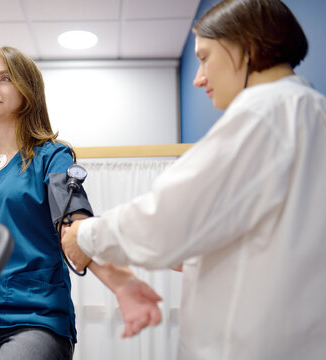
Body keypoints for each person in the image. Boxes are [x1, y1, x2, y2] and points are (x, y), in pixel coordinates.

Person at [61, 0, 326, 359]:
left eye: (204, 57)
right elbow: (255, 235)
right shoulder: (312, 112)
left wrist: (86, 237)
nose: (198, 78)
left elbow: (167, 219)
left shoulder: (263, 113)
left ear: (245, 47)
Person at [0, 46, 162, 360]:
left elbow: (74, 227)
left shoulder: (52, 158)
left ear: (27, 92)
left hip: (37, 316)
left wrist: (122, 282)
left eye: (4, 78)